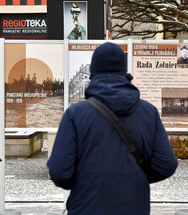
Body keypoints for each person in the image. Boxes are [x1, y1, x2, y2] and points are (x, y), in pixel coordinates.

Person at [47, 42, 178, 214]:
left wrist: (85, 183)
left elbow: (59, 171)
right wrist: (134, 178)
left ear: (93, 74)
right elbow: (166, 164)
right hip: (134, 208)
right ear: (124, 72)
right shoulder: (148, 112)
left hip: (86, 207)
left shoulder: (75, 114)